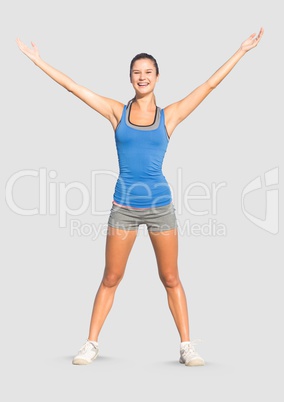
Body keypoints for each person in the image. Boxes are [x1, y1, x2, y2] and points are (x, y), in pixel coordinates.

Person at [16, 27, 264, 367]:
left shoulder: (170, 115)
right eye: (137, 72)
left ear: (157, 78)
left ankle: (186, 346)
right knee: (111, 277)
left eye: (148, 72)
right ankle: (91, 343)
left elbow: (209, 85)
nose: (142, 77)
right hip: (124, 209)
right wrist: (38, 61)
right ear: (130, 78)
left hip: (161, 209)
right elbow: (74, 87)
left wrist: (241, 51)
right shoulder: (117, 112)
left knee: (171, 277)